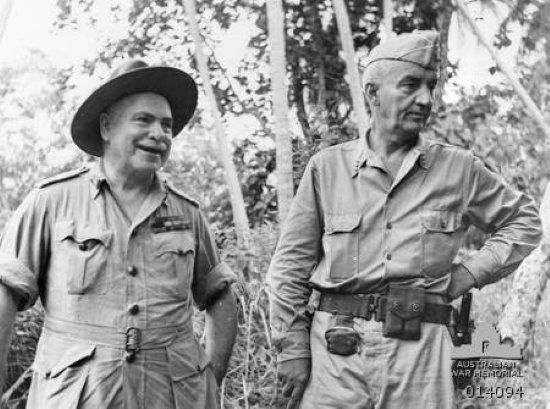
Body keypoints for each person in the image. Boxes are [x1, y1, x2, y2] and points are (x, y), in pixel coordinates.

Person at [267, 31, 541, 409]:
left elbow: (525, 220)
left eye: (431, 86)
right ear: (373, 93)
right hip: (335, 359)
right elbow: (289, 267)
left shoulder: (458, 168)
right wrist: (293, 348)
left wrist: (469, 274)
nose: (426, 99)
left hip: (422, 359)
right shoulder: (327, 169)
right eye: (411, 85)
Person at [0, 60, 238, 408]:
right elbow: (5, 294)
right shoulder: (52, 201)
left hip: (173, 397)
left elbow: (220, 295)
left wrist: (209, 381)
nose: (159, 134)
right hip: (76, 397)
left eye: (167, 125)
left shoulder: (187, 213)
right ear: (107, 126)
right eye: (143, 120)